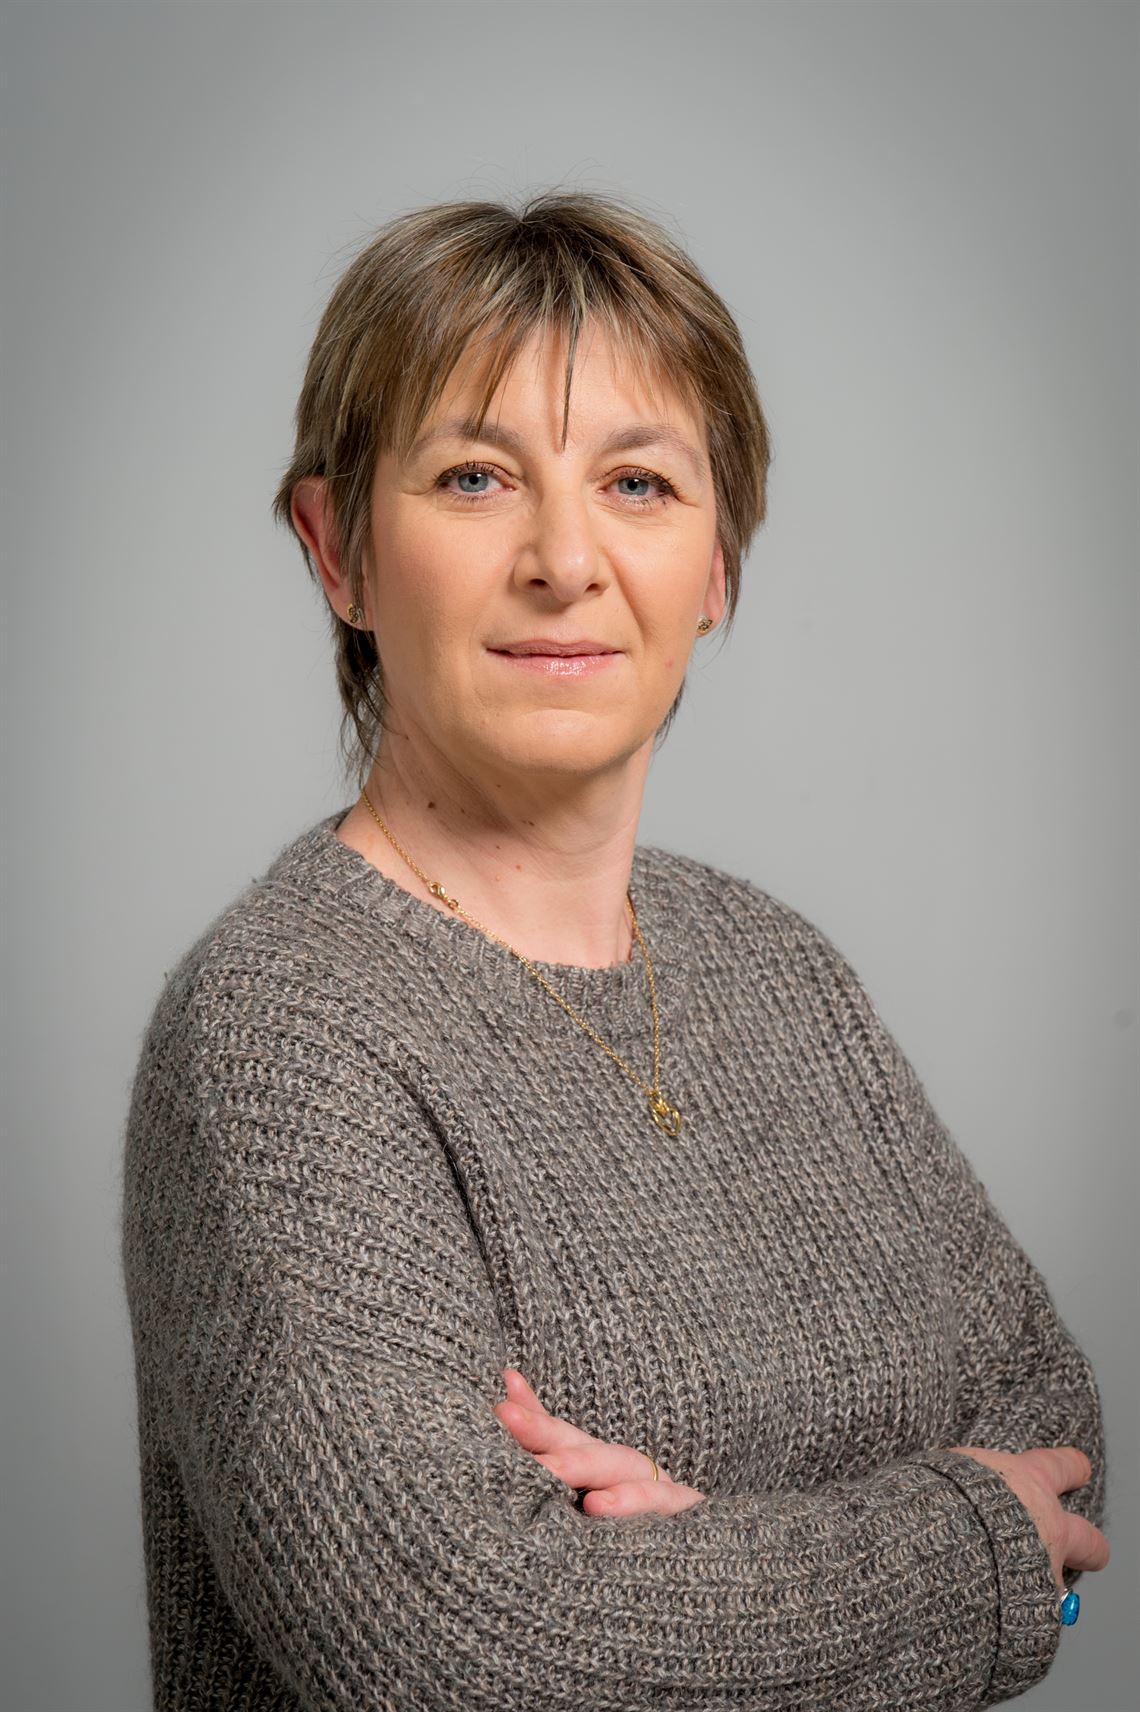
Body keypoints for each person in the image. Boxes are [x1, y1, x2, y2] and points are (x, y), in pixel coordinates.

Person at [120, 188, 1110, 1712]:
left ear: (716, 568)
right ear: (338, 549)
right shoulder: (277, 1034)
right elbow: (464, 1655)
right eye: (475, 477)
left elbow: (1058, 1438)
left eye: (639, 483)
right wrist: (945, 1561)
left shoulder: (776, 970)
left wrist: (697, 1569)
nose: (565, 558)